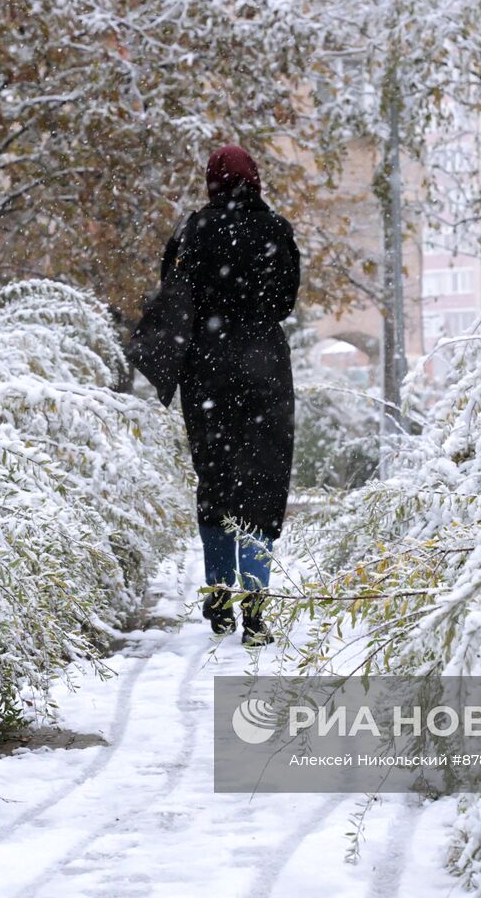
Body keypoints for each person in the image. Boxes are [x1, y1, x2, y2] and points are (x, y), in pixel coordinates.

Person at [159, 145, 300, 646]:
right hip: (264, 367)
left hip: (207, 371)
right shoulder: (276, 230)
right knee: (261, 486)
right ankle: (256, 611)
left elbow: (172, 296)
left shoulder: (192, 232)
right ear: (255, 180)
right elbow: (286, 299)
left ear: (211, 181)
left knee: (216, 482)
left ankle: (219, 599)